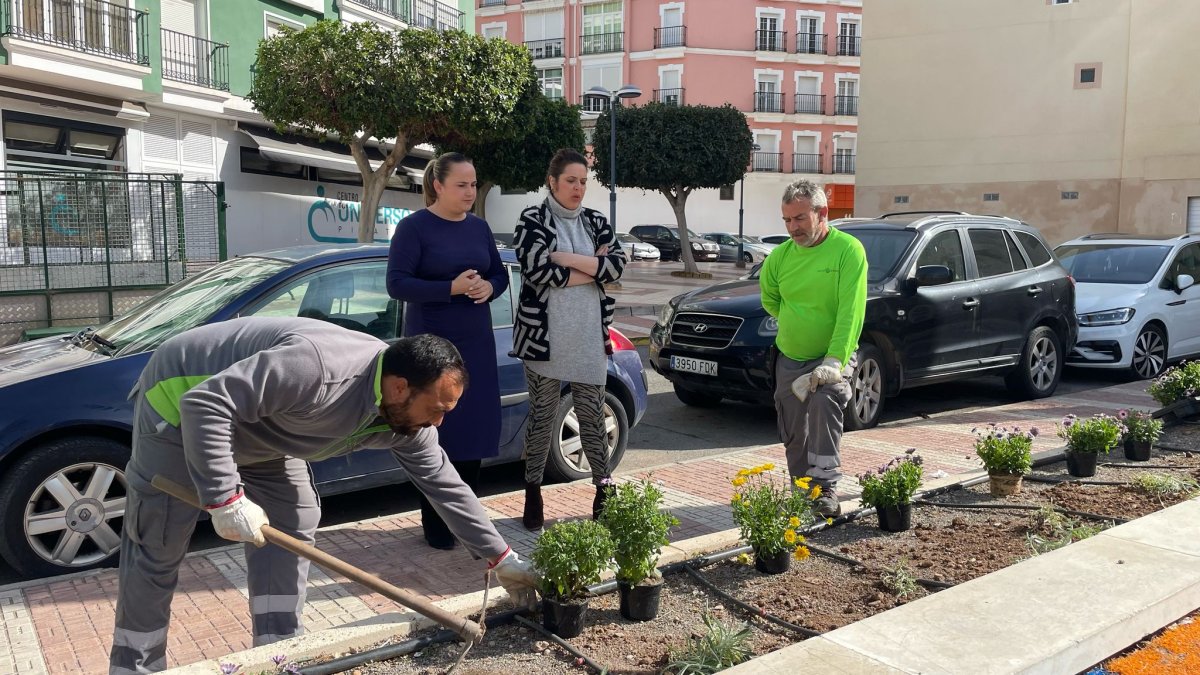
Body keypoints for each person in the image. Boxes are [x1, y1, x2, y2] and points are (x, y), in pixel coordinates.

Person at [109, 318, 536, 675]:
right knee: (158, 542)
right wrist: (224, 497)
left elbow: (445, 484)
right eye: (438, 408)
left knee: (293, 516)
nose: (439, 422)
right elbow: (205, 404)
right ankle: (135, 666)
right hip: (179, 407)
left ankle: (276, 651)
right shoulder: (317, 370)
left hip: (263, 427)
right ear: (401, 388)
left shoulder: (408, 423)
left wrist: (501, 558)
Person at [387, 152, 508, 550]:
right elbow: (398, 284)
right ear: (438, 185)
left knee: (472, 433)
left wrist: (490, 287)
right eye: (462, 184)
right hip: (431, 349)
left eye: (473, 184)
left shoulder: (480, 228)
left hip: (475, 341)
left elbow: (499, 273)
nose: (470, 191)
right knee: (435, 435)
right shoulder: (413, 228)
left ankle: (468, 522)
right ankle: (437, 527)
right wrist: (450, 289)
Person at [513, 148, 626, 529]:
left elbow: (617, 266)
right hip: (544, 339)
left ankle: (604, 490)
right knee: (543, 418)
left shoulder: (595, 221)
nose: (578, 188)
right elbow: (536, 270)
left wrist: (568, 258)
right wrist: (593, 268)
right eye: (570, 181)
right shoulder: (532, 219)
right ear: (552, 182)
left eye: (583, 181)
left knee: (593, 417)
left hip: (589, 338)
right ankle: (533, 492)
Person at [759, 180, 867, 518]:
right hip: (790, 355)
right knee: (793, 430)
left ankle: (826, 490)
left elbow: (851, 312)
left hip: (831, 354)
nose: (793, 228)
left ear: (821, 213)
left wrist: (833, 359)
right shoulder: (779, 258)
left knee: (825, 399)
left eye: (800, 219)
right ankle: (801, 489)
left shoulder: (848, 251)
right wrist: (796, 322)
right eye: (787, 221)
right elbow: (770, 299)